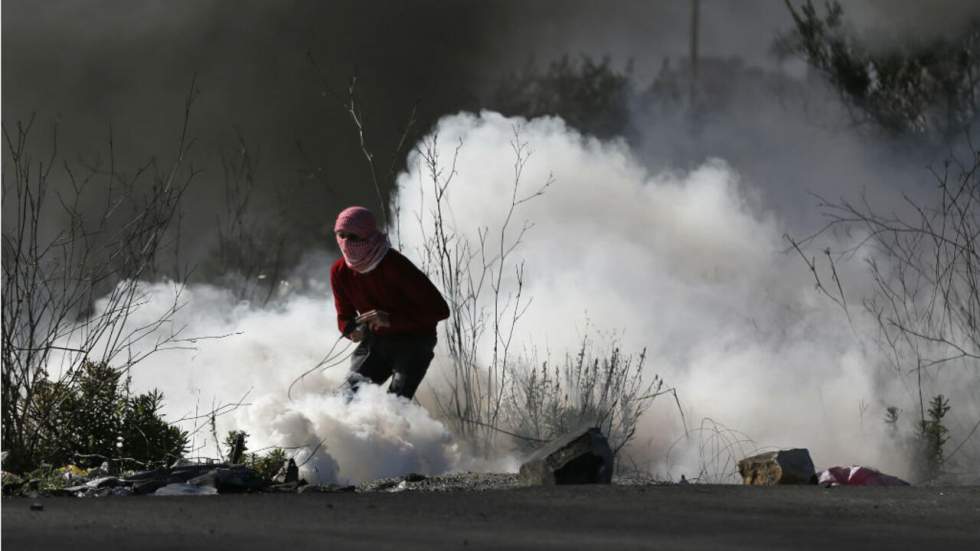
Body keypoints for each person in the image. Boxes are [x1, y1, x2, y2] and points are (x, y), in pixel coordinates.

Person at [330, 206, 449, 399]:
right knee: (347, 397)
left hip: (415, 341)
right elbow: (344, 315)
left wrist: (391, 320)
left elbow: (440, 310)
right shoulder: (339, 271)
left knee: (396, 401)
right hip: (375, 342)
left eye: (353, 237)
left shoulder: (395, 265)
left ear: (368, 236)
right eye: (340, 235)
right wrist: (351, 330)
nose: (345, 243)